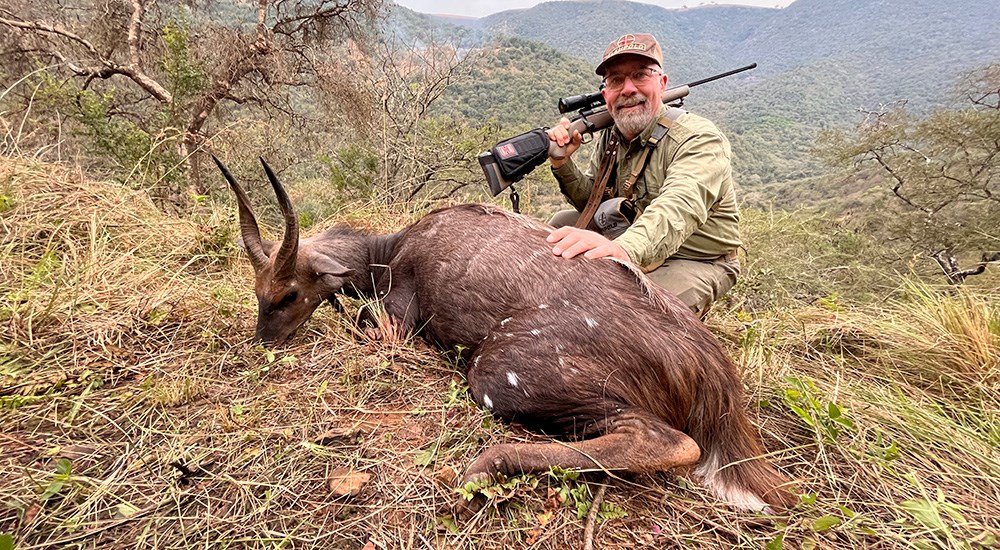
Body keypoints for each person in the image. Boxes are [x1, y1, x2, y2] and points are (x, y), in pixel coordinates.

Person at [546, 33, 741, 318]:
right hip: (629, 235)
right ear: (605, 94)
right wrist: (563, 164)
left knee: (633, 315)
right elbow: (593, 202)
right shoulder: (612, 137)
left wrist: (622, 250)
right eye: (615, 81)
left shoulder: (699, 138)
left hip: (694, 257)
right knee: (561, 226)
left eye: (640, 75)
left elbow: (678, 207)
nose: (627, 89)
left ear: (661, 84)